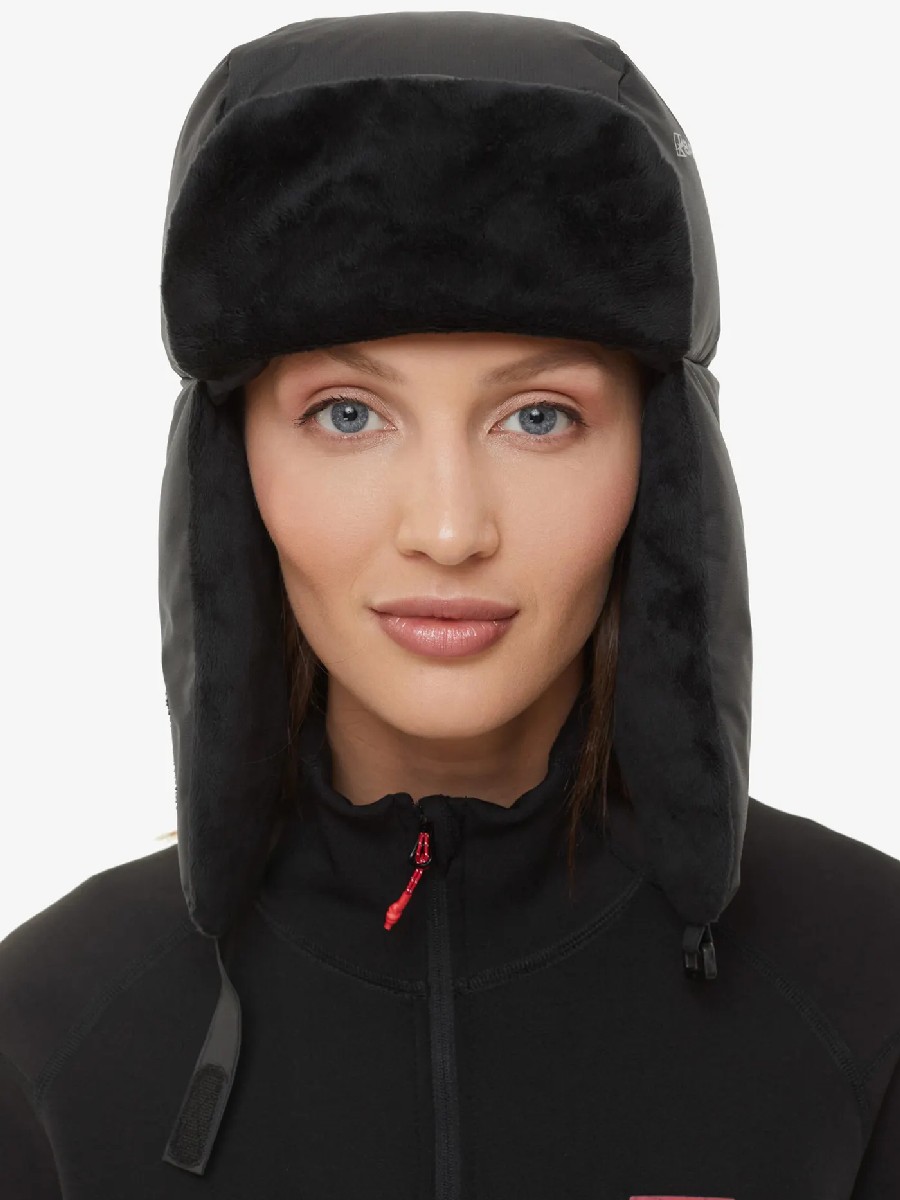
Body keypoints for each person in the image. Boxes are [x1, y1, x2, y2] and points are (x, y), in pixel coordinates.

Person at [1, 12, 898, 1198]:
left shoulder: (871, 994)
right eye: (347, 415)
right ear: (232, 468)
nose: (448, 527)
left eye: (539, 417)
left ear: (661, 462)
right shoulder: (48, 1041)